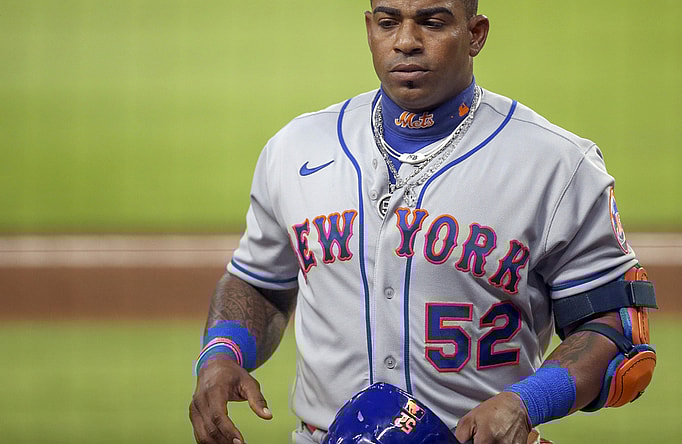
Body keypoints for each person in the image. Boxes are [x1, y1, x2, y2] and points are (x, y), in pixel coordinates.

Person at [188, 1, 658, 444]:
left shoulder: (556, 165)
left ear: (475, 34)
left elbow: (613, 328)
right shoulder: (295, 149)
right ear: (370, 28)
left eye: (432, 22)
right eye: (390, 22)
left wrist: (525, 403)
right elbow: (259, 283)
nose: (406, 41)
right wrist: (222, 353)